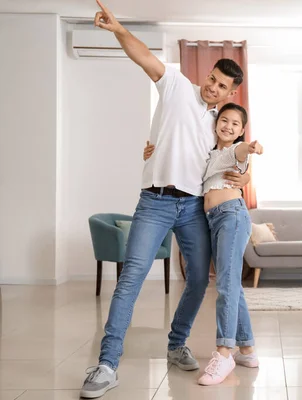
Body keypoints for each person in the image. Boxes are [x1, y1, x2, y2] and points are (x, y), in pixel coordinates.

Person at [80, 1, 250, 398]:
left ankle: (176, 344)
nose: (213, 87)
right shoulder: (175, 85)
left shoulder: (220, 125)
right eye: (212, 79)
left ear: (231, 91)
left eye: (222, 86)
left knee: (197, 279)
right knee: (132, 279)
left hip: (193, 208)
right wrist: (119, 30)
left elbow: (229, 161)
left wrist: (242, 173)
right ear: (206, 75)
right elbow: (143, 55)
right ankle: (106, 364)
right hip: (154, 203)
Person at [145, 103, 262, 385]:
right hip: (213, 220)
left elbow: (241, 151)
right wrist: (152, 151)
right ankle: (247, 349)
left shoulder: (235, 152)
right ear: (215, 122)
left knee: (225, 285)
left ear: (241, 131)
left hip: (231, 216)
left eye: (235, 123)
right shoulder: (209, 154)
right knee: (231, 284)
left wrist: (251, 147)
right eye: (224, 120)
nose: (228, 126)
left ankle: (225, 352)